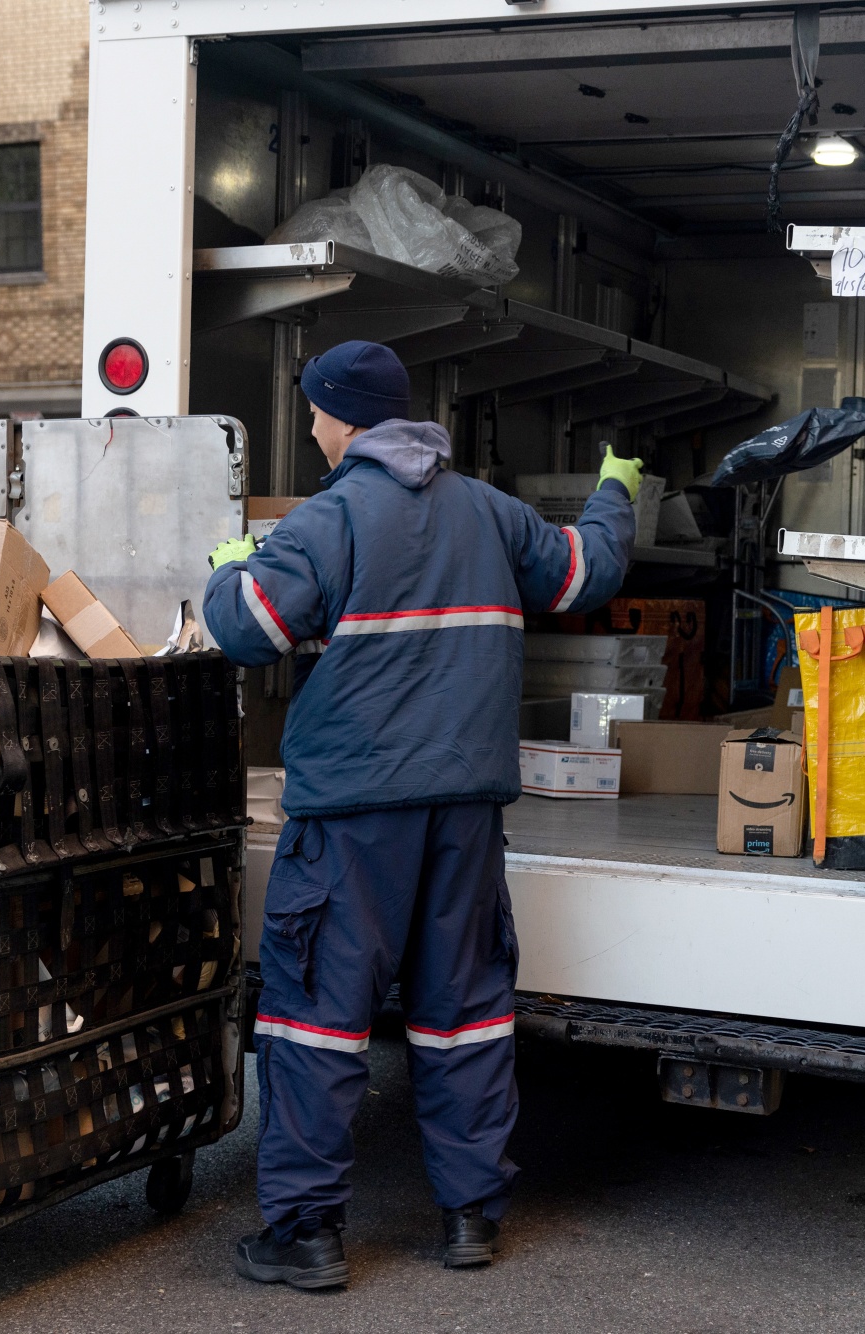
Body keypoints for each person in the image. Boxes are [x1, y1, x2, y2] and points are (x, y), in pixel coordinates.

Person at [201, 339, 640, 1290]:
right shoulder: (488, 509)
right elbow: (585, 574)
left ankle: (307, 1234)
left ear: (342, 418)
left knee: (317, 1019)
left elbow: (247, 631)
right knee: (464, 1012)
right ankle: (470, 1216)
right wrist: (614, 488)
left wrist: (233, 567)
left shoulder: (330, 519)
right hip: (466, 809)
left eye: (314, 410)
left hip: (355, 815)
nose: (311, 424)